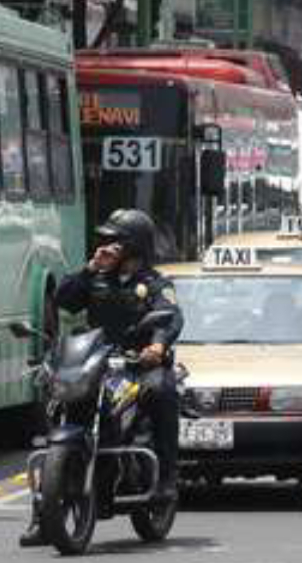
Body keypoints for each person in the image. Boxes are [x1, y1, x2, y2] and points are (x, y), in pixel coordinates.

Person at [20, 209, 184, 547]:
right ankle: (43, 516)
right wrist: (89, 267)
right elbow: (64, 300)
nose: (106, 246)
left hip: (138, 364)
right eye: (104, 241)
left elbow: (172, 317)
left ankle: (166, 476)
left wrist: (157, 345)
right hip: (97, 362)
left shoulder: (154, 284)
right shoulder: (96, 278)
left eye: (114, 241)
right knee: (58, 409)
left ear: (133, 246)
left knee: (162, 389)